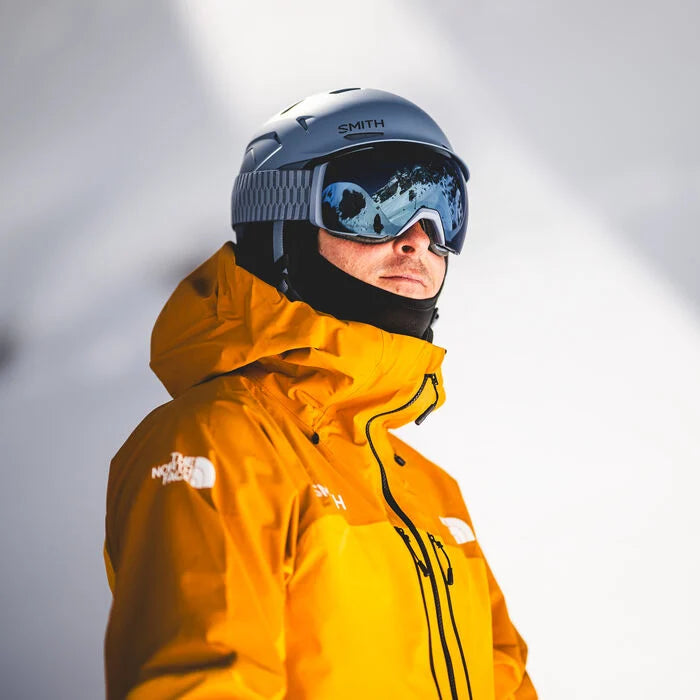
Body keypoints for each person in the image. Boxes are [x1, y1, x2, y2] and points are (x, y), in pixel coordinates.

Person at [104, 87, 537, 699]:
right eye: (375, 203)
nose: (419, 237)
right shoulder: (215, 445)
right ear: (283, 228)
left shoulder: (432, 492)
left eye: (443, 206)